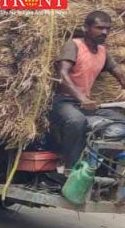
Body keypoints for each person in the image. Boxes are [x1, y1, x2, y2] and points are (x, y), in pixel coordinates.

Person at [50, 10, 125, 167]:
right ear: (86, 28)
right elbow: (63, 75)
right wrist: (82, 98)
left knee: (121, 123)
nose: (104, 32)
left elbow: (119, 74)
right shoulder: (74, 45)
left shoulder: (103, 52)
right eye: (99, 28)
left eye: (107, 29)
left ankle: (98, 166)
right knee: (77, 121)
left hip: (87, 104)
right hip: (64, 102)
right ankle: (69, 167)